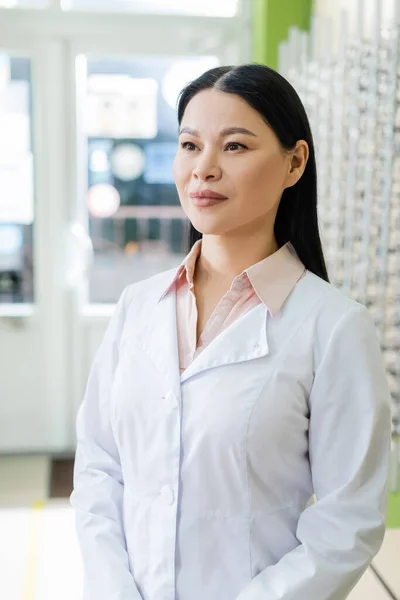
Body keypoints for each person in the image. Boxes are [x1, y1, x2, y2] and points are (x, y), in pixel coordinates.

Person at [70, 64, 392, 600]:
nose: (205, 169)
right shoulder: (137, 307)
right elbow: (100, 468)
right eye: (190, 145)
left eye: (235, 147)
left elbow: (346, 522)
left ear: (295, 162)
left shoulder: (334, 328)